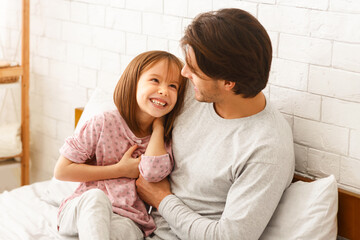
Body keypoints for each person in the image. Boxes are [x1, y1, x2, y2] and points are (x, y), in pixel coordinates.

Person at [136, 8, 295, 240]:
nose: (183, 72)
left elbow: (228, 237)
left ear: (228, 83)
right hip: (138, 224)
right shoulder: (191, 92)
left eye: (194, 70)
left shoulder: (267, 149)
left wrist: (161, 200)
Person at [53, 50, 187, 239]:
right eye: (155, 80)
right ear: (134, 82)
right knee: (96, 198)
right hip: (81, 208)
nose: (164, 90)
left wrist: (158, 129)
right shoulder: (104, 122)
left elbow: (152, 173)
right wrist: (119, 170)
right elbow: (62, 171)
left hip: (128, 218)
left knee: (128, 233)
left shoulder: (164, 140)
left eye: (173, 86)